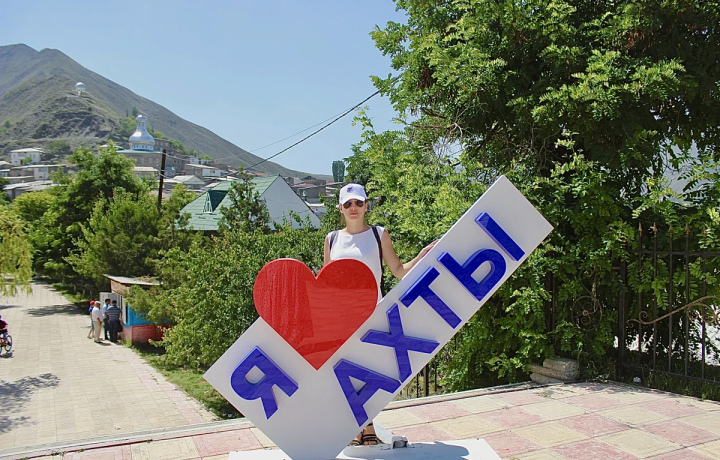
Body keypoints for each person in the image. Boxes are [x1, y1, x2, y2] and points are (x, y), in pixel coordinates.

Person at [324, 183, 436, 446]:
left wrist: (422, 256)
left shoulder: (379, 234)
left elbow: (398, 271)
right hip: (342, 317)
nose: (353, 208)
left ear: (366, 206)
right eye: (348, 204)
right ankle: (360, 427)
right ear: (340, 208)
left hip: (372, 314)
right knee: (348, 372)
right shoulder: (332, 239)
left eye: (358, 203)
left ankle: (367, 426)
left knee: (368, 371)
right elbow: (327, 280)